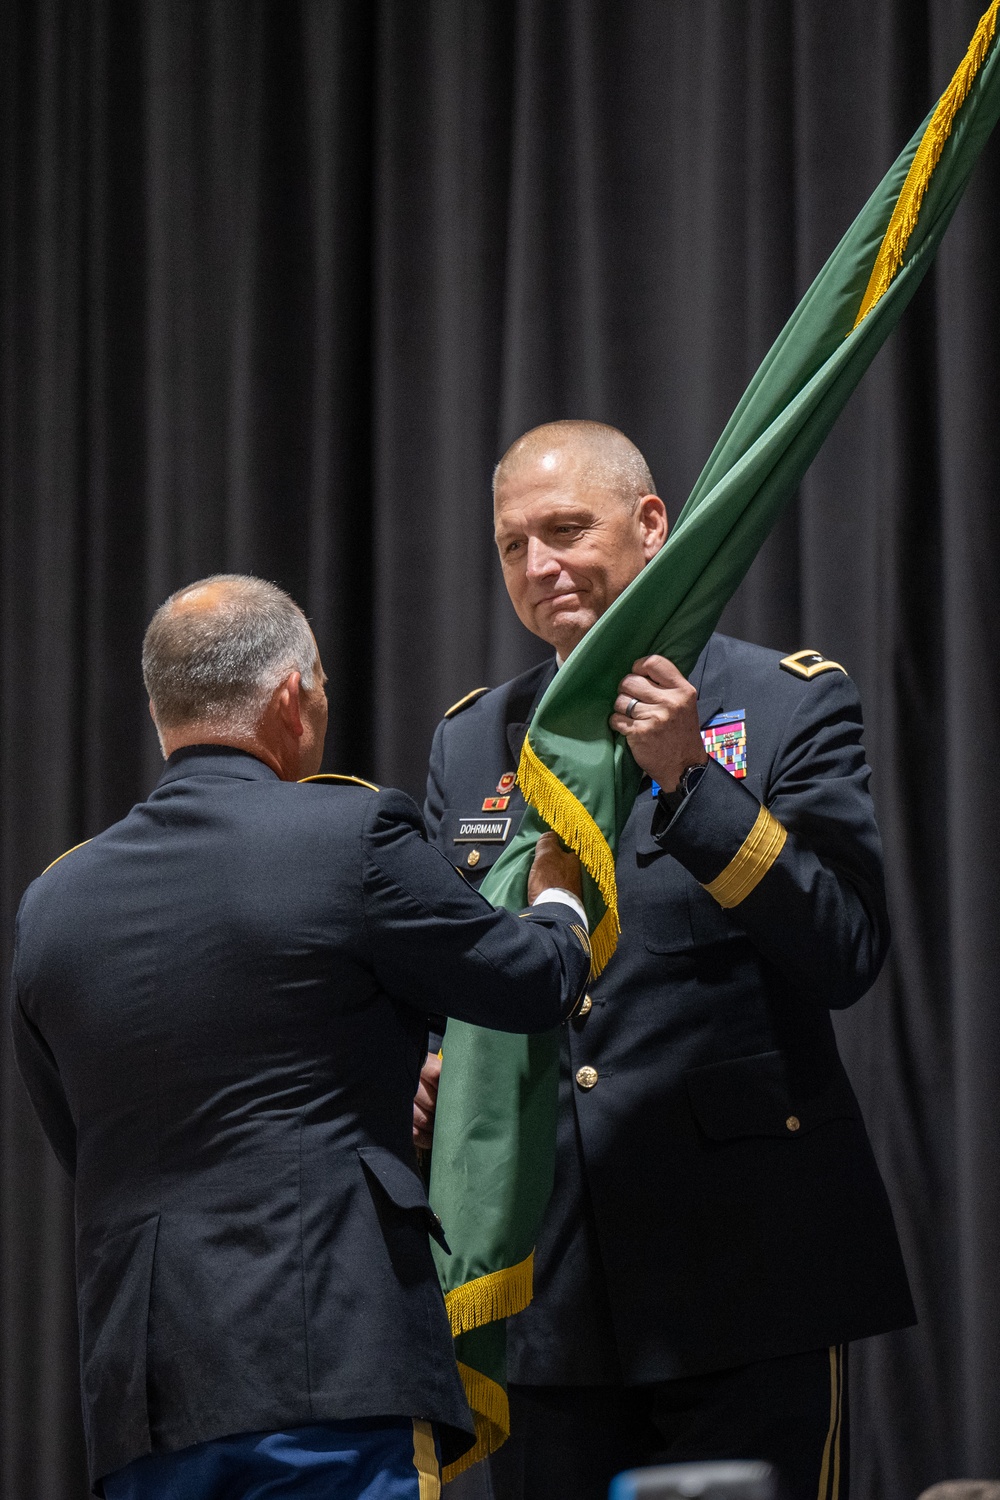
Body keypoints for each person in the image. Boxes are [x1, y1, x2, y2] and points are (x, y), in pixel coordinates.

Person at [10, 574, 592, 1500]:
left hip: (145, 1395)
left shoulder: (51, 904)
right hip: (332, 1363)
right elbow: (532, 984)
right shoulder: (350, 833)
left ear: (165, 711)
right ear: (293, 696)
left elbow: (84, 1140)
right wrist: (558, 889)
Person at [420, 422, 915, 1500]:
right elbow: (450, 960)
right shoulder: (472, 740)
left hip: (742, 1274)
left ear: (652, 526)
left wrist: (692, 783)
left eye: (564, 530)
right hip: (545, 1282)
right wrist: (431, 1056)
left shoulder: (781, 701)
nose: (539, 565)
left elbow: (843, 949)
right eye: (513, 545)